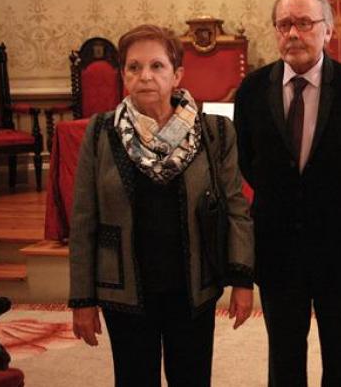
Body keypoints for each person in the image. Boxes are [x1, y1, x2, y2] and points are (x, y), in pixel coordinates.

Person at [68, 24, 254, 387]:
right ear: (123, 76)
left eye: (157, 66)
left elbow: (236, 209)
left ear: (177, 75)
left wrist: (242, 279)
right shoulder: (101, 132)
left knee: (192, 379)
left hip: (192, 287)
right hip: (125, 287)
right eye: (134, 67)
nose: (145, 76)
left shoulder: (214, 132)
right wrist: (82, 299)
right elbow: (83, 219)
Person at [234, 0, 341, 387]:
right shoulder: (251, 91)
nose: (293, 33)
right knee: (284, 358)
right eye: (284, 24)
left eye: (304, 23)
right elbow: (248, 162)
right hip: (278, 247)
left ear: (328, 30)